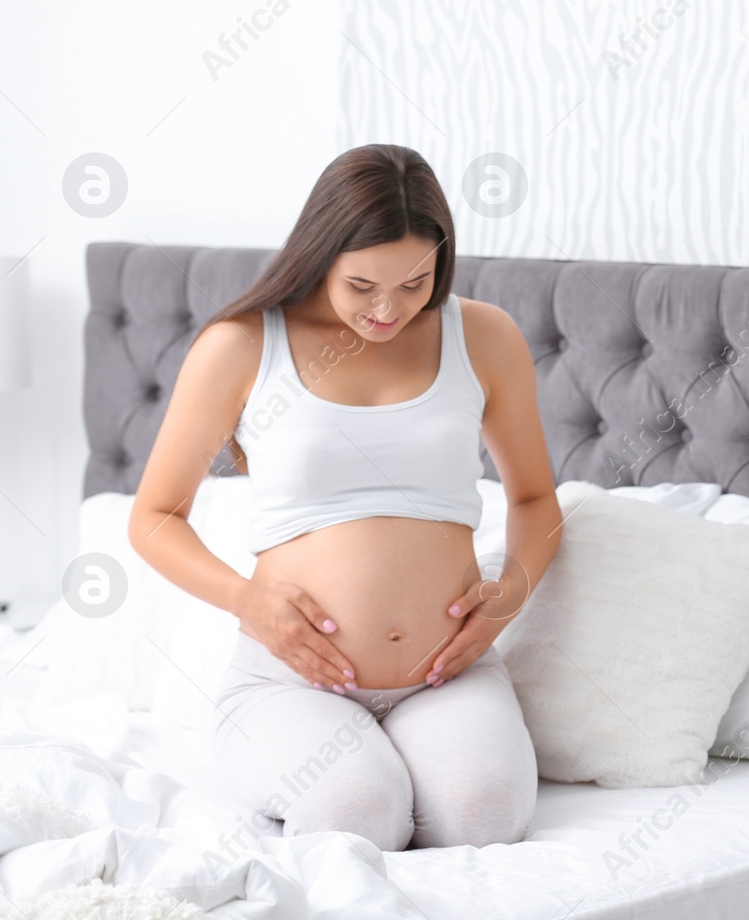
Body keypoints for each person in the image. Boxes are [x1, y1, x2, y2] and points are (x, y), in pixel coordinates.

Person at [128, 143, 560, 851]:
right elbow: (153, 517)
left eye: (416, 282)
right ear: (320, 253)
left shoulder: (484, 337)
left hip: (446, 675)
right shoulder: (242, 344)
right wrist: (247, 599)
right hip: (289, 681)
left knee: (484, 815)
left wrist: (510, 592)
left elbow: (537, 498)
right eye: (362, 286)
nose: (388, 309)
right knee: (358, 808)